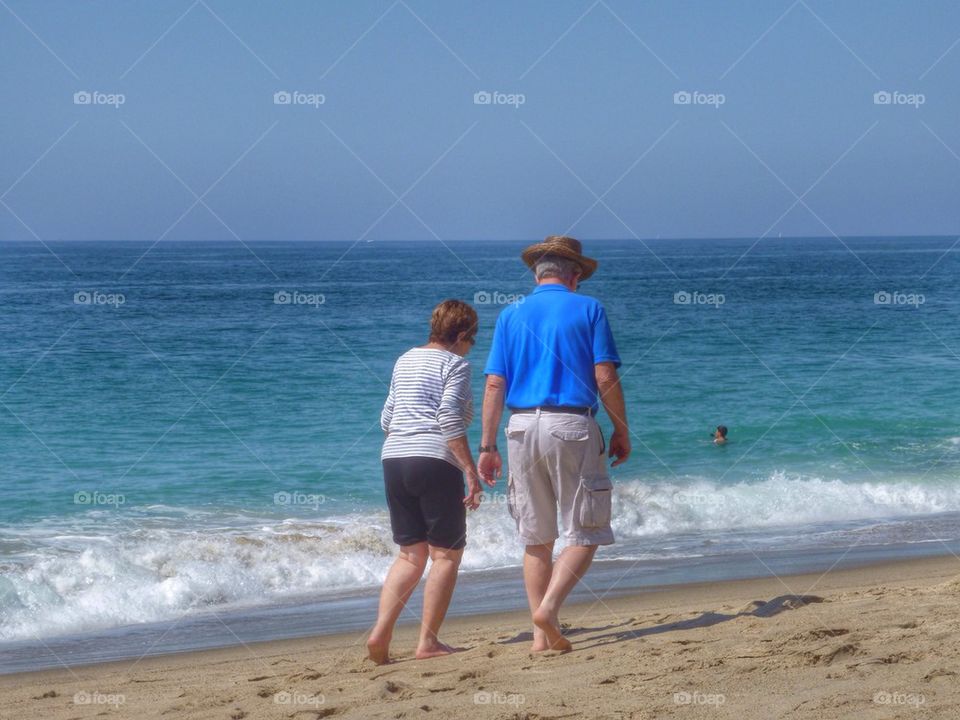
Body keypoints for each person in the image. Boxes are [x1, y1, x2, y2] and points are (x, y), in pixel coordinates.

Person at [478, 236, 630, 653]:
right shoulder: (589, 308)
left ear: (536, 273)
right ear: (575, 274)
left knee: (536, 537)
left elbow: (494, 383)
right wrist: (621, 428)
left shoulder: (511, 314)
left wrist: (487, 446)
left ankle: (540, 638)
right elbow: (603, 377)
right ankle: (548, 610)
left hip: (521, 426)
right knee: (587, 530)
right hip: (571, 424)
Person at [368, 299, 490, 664]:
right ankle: (428, 643)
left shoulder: (404, 359)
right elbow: (449, 419)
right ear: (464, 334)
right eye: (474, 339)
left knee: (409, 554)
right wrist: (470, 470)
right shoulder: (456, 364)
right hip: (435, 458)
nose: (472, 346)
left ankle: (381, 632)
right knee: (445, 556)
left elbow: (387, 418)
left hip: (394, 458)